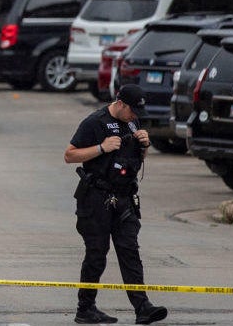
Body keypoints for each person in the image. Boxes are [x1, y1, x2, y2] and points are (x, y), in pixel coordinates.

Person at [64, 84, 168, 325]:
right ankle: (85, 308)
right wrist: (101, 148)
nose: (135, 117)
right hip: (96, 199)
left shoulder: (133, 123)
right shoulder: (94, 122)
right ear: (120, 103)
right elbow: (69, 155)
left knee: (130, 250)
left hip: (124, 198)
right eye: (132, 111)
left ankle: (143, 307)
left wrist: (144, 146)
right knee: (97, 254)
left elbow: (134, 161)